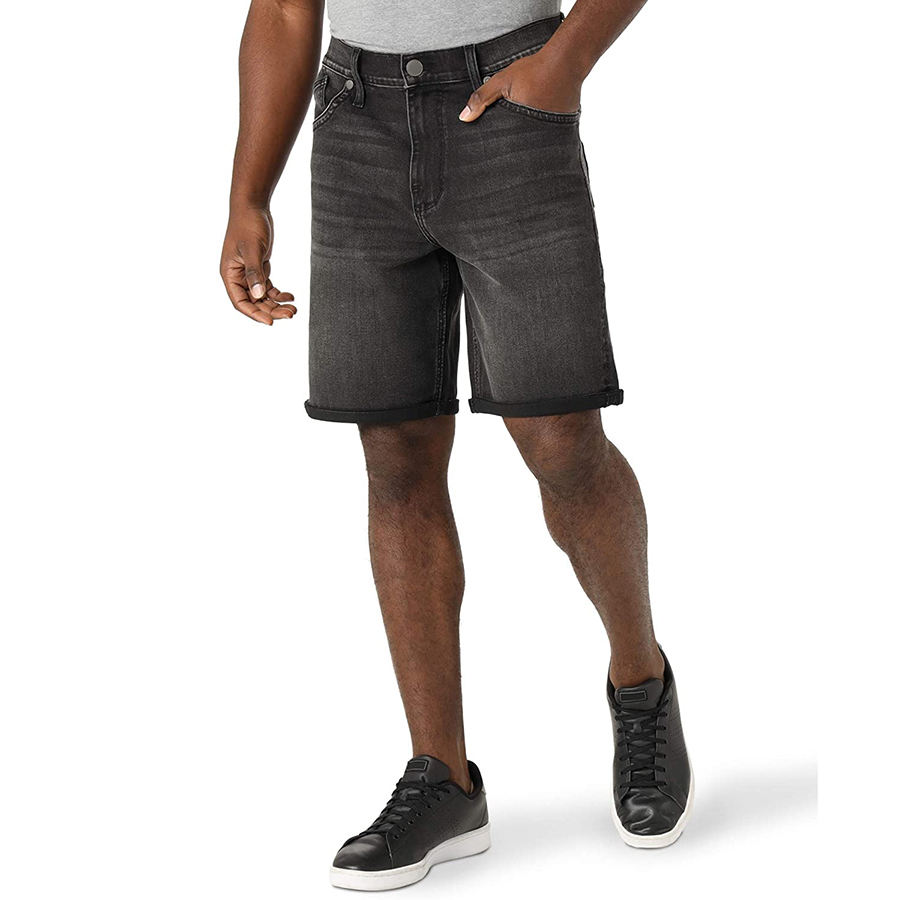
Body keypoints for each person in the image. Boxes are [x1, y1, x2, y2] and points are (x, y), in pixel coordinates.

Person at [220, 0, 693, 889]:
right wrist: (248, 194)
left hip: (511, 105)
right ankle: (443, 778)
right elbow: (283, 8)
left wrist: (563, 63)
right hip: (356, 119)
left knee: (560, 439)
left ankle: (641, 688)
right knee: (394, 455)